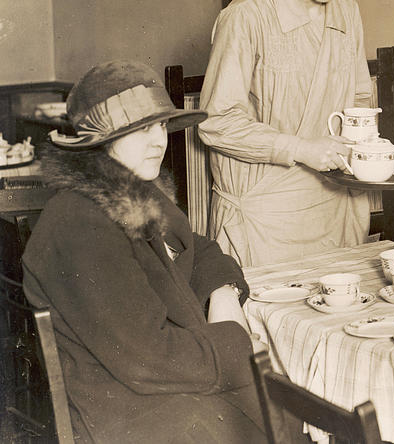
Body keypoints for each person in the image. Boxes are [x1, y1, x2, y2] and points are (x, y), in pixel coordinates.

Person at [22, 61, 271, 443]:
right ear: (99, 141)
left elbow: (196, 247)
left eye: (159, 125)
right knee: (282, 401)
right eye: (139, 129)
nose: (158, 140)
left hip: (157, 384)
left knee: (286, 399)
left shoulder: (134, 191)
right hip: (124, 411)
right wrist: (236, 344)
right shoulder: (79, 223)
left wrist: (224, 292)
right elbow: (148, 358)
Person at [199, 0, 373, 267]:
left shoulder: (348, 10)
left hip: (335, 205)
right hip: (267, 216)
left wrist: (366, 148)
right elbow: (216, 125)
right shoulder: (246, 16)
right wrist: (301, 148)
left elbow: (360, 95)